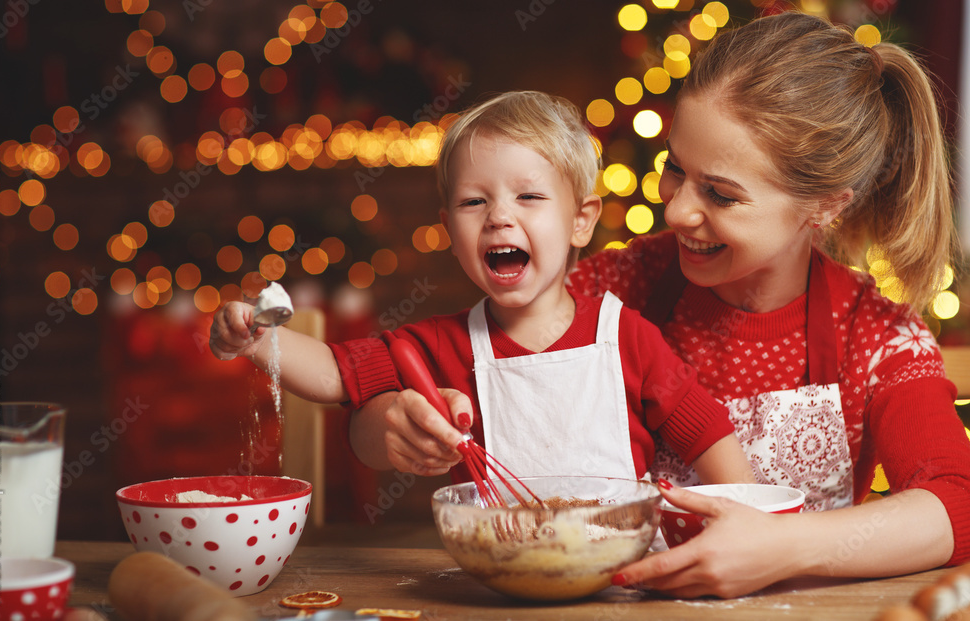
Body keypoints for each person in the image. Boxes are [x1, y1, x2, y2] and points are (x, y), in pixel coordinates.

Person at [351, 11, 970, 599]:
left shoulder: (874, 334)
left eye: (721, 195)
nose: (675, 211)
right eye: (675, 169)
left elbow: (958, 502)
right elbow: (429, 375)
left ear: (824, 206)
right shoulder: (609, 289)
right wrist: (389, 429)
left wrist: (783, 546)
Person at [210, 90, 756, 488]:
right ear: (449, 230)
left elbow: (708, 437)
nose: (498, 216)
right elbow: (333, 373)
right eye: (474, 202)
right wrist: (256, 339)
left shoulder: (625, 337)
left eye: (529, 198)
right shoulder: (440, 346)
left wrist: (746, 525)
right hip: (500, 574)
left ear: (581, 221)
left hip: (622, 573)